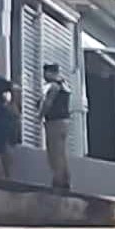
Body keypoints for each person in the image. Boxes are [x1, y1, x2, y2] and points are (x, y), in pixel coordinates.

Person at [38, 64, 76, 193]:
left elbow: (48, 103)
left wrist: (40, 115)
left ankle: (58, 182)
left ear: (51, 72)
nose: (44, 76)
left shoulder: (54, 86)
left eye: (45, 72)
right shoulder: (65, 85)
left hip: (54, 122)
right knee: (62, 153)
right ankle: (65, 180)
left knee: (54, 153)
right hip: (64, 121)